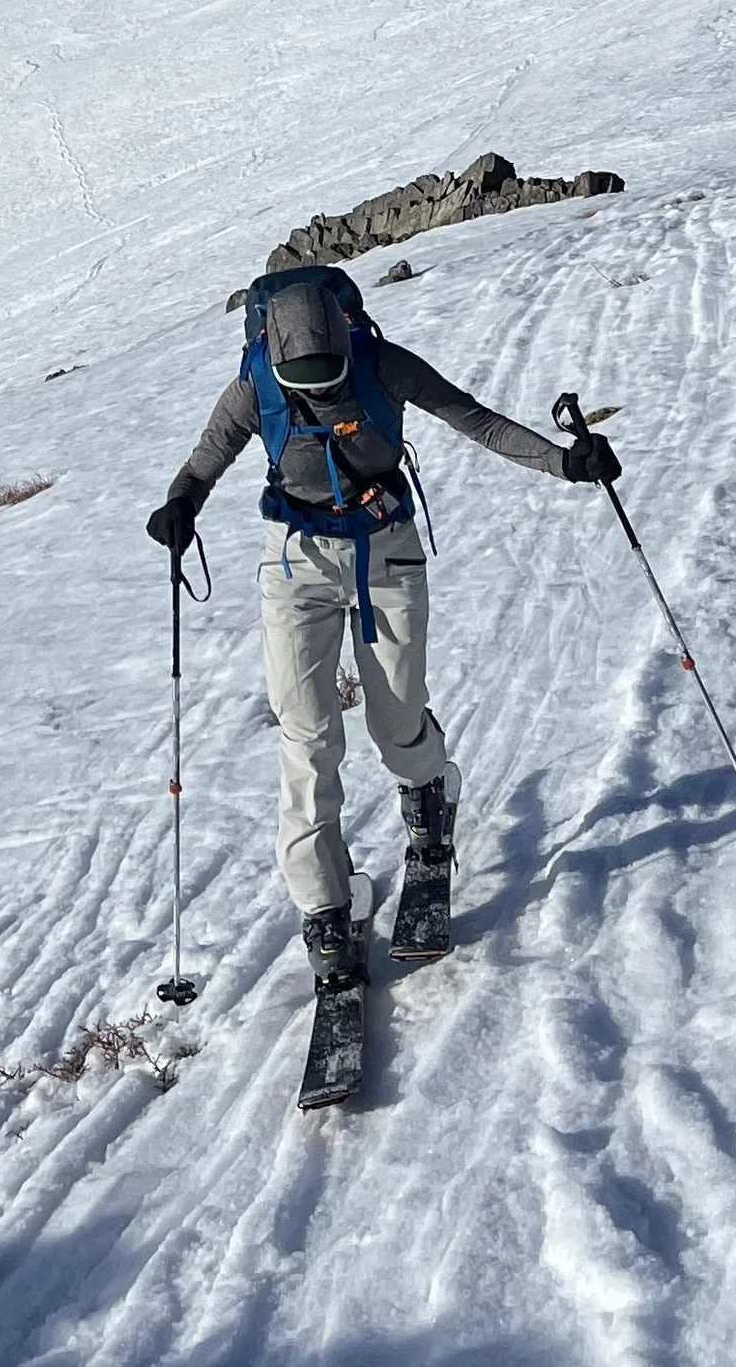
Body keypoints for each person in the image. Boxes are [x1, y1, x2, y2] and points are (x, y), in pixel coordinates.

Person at [145, 261, 618, 987]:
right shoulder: (255, 382)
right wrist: (182, 503)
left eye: (330, 377)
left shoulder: (381, 363)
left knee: (396, 721)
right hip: (295, 561)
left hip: (385, 549)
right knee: (306, 737)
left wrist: (566, 463)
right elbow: (209, 456)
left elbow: (475, 420)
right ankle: (327, 914)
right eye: (305, 383)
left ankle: (430, 799)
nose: (321, 390)